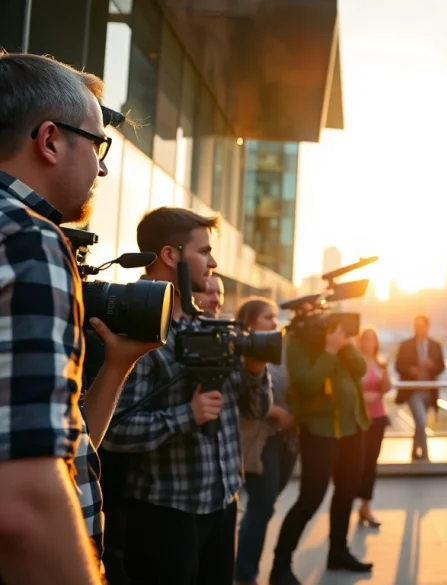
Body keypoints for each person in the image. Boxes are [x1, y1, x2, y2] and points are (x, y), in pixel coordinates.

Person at [0, 51, 159, 585]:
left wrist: (113, 367)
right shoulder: (26, 238)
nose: (104, 166)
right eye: (98, 145)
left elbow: (48, 445)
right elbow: (25, 503)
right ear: (49, 140)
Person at [102, 207, 272, 585]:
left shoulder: (210, 327)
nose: (213, 263)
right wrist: (188, 415)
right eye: (204, 252)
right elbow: (112, 431)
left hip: (224, 502)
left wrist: (257, 371)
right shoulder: (134, 333)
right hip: (164, 515)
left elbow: (257, 409)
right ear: (170, 255)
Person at [271, 319, 372, 585]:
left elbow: (360, 369)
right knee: (311, 497)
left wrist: (343, 345)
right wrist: (328, 350)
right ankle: (280, 565)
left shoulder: (342, 344)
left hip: (352, 428)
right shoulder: (297, 344)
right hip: (319, 431)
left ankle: (338, 552)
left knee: (347, 491)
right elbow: (307, 384)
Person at [234, 298, 298, 585]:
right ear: (249, 323)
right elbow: (241, 390)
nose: (274, 322)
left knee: (265, 504)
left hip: (283, 439)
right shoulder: (241, 349)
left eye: (275, 316)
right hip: (259, 440)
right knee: (261, 506)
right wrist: (274, 411)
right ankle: (245, 573)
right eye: (267, 317)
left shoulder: (279, 350)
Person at [395, 314, 445, 461]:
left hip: (429, 391)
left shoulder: (435, 346)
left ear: (427, 327)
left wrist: (432, 366)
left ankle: (414, 451)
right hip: (413, 391)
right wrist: (411, 370)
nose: (418, 328)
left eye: (421, 325)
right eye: (416, 325)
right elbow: (398, 365)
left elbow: (441, 367)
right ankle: (424, 454)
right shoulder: (406, 345)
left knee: (420, 423)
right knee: (421, 421)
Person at [356, 327, 393, 528]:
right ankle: (349, 502)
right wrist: (363, 398)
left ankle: (365, 506)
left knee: (371, 463)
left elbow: (386, 388)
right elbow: (350, 390)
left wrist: (386, 378)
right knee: (357, 462)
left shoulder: (381, 363)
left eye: (372, 339)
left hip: (378, 418)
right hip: (359, 419)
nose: (368, 342)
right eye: (365, 339)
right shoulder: (355, 363)